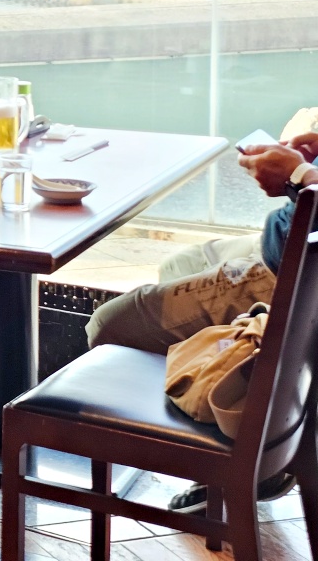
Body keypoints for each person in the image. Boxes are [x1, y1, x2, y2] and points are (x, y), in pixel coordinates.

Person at [86, 130, 318, 512]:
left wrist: (298, 175)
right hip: (280, 242)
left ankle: (243, 461)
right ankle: (238, 442)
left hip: (288, 271)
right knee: (180, 265)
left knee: (109, 328)